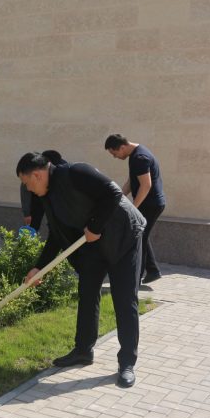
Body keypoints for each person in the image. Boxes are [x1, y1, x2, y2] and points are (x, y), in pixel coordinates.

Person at [16, 152, 145, 388]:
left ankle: (127, 362)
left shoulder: (75, 172)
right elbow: (55, 235)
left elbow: (113, 192)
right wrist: (39, 267)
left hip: (123, 236)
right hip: (95, 245)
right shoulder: (48, 195)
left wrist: (95, 226)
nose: (29, 189)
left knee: (124, 299)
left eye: (27, 183)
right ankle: (83, 350)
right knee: (87, 292)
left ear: (36, 174)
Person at [105, 134, 166, 284]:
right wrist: (119, 197)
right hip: (150, 203)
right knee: (142, 235)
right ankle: (152, 271)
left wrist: (133, 208)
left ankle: (136, 277)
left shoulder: (140, 158)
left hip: (151, 205)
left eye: (114, 153)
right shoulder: (136, 154)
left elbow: (146, 185)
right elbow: (132, 181)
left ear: (122, 147)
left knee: (139, 237)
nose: (115, 157)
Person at [20, 150, 67, 233]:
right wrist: (27, 213)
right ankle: (29, 241)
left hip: (52, 197)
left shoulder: (62, 168)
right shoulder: (32, 172)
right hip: (36, 199)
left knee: (54, 223)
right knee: (33, 224)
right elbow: (24, 192)